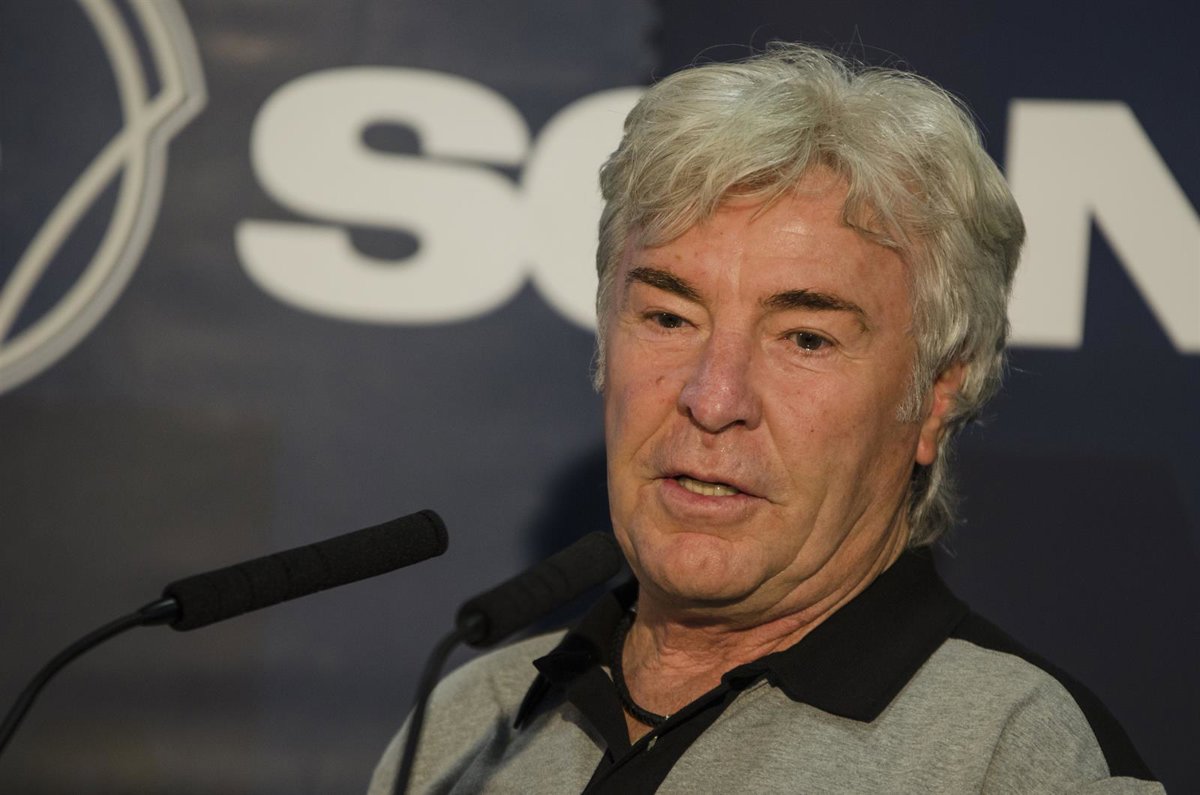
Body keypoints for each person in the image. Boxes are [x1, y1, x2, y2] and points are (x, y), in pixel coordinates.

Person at [370, 43, 1162, 793]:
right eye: (669, 318)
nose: (713, 399)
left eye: (806, 338)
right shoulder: (466, 723)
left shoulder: (1017, 753)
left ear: (934, 394)